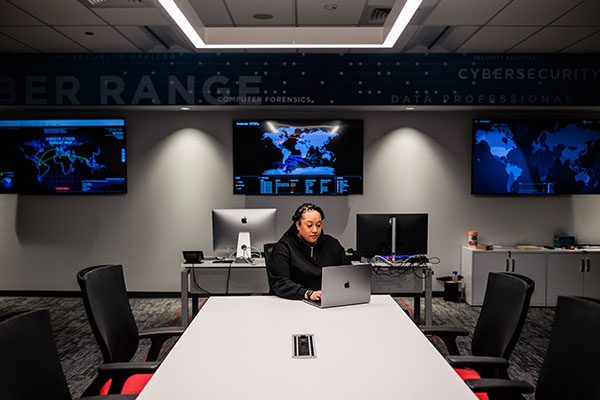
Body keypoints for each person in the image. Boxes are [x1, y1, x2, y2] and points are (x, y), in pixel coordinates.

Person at [267, 202, 349, 301]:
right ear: (298, 225)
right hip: (294, 303)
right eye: (309, 225)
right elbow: (280, 283)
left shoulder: (332, 244)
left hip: (329, 301)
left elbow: (348, 273)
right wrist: (308, 294)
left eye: (318, 225)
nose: (315, 230)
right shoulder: (283, 247)